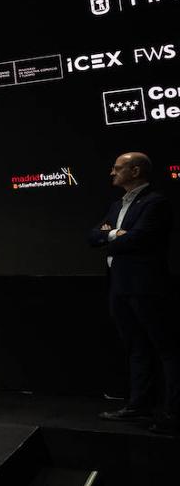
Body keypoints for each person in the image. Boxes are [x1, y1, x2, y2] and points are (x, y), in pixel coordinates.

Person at [88, 152, 177, 435]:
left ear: (135, 171)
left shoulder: (156, 202)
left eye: (117, 168)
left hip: (146, 286)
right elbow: (93, 236)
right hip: (119, 285)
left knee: (166, 349)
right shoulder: (117, 205)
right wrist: (116, 234)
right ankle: (139, 404)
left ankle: (172, 413)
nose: (112, 173)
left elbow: (140, 238)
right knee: (136, 347)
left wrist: (110, 236)